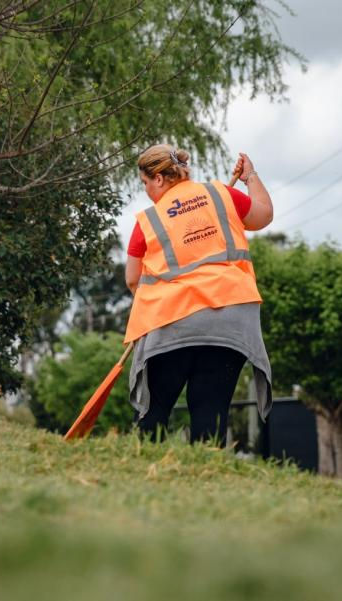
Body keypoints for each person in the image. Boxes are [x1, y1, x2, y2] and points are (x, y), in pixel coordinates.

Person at [124, 144, 274, 445]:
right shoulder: (222, 195)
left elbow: (133, 280)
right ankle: (207, 476)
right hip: (231, 319)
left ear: (159, 179)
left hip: (173, 320)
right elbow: (263, 216)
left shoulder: (148, 221)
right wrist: (251, 177)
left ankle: (142, 472)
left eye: (145, 183)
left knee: (155, 409)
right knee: (210, 408)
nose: (146, 191)